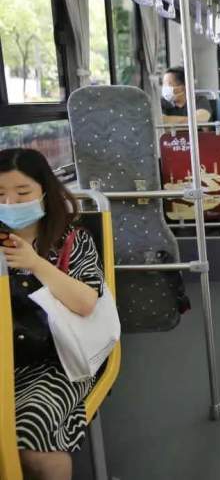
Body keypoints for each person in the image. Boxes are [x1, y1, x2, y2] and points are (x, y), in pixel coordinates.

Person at [1, 148, 105, 480]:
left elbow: (86, 303)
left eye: (22, 193)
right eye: (0, 195)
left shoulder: (72, 239)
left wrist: (36, 264)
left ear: (45, 191)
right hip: (5, 356)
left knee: (30, 441)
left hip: (59, 358)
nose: (10, 203)